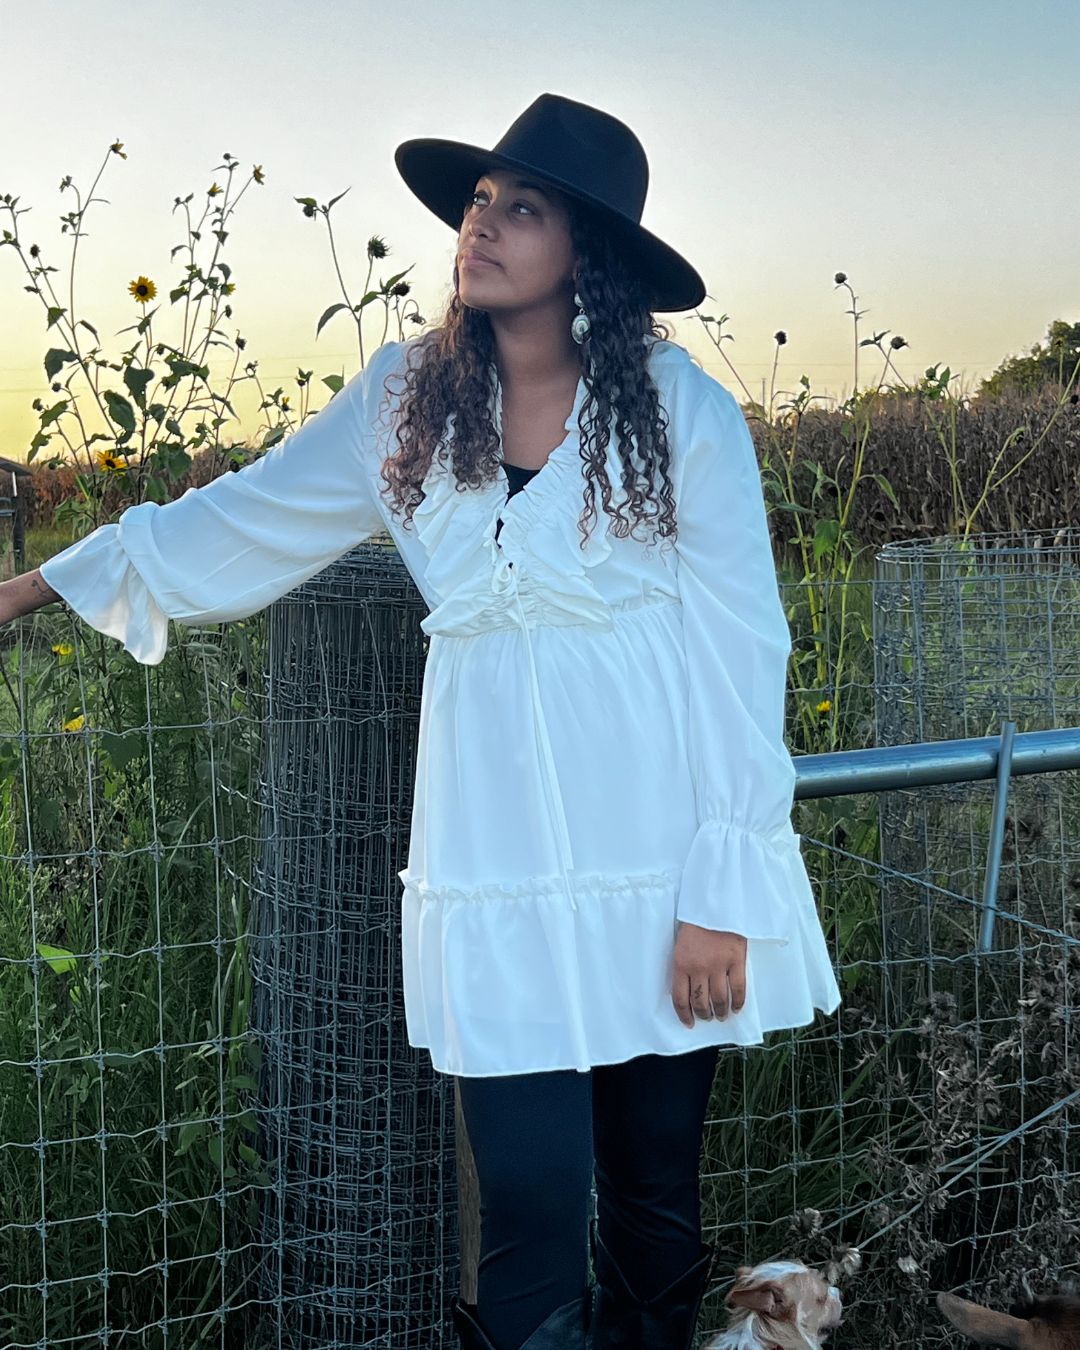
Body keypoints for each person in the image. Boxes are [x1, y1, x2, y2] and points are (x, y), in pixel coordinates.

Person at [5, 94, 842, 1350]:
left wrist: (723, 886)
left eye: (524, 208)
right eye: (480, 201)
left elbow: (742, 648)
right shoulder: (406, 399)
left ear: (591, 252)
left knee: (654, 1202)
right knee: (531, 1198)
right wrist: (30, 587)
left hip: (663, 865)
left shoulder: (683, 414)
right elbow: (245, 515)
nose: (481, 225)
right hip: (495, 866)